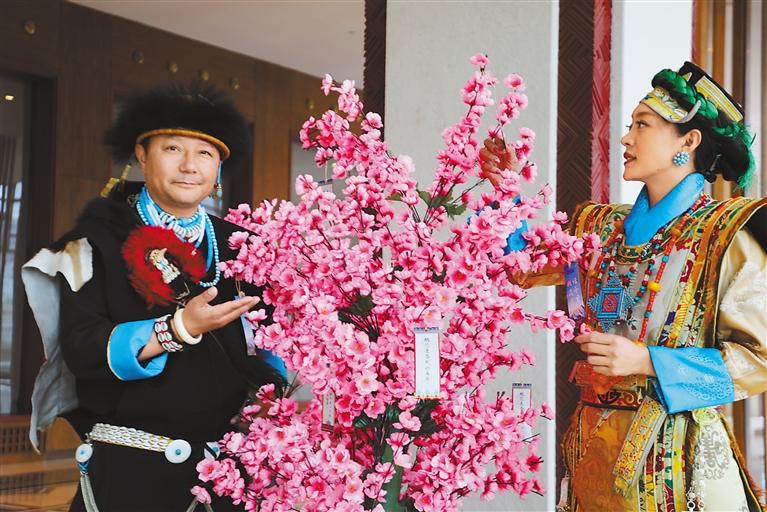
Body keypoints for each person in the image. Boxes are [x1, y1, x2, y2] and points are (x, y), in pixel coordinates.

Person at [481, 62, 766, 511]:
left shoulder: (725, 234)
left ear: (688, 142)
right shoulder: (599, 228)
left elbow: (758, 361)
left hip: (678, 461)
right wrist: (506, 193)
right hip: (593, 449)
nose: (626, 138)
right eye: (631, 124)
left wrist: (647, 361)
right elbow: (518, 269)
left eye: (643, 125)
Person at [22, 83, 286, 511]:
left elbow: (273, 341)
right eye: (172, 148)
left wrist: (271, 394)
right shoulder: (96, 241)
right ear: (142, 155)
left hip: (227, 474)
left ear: (219, 167)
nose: (189, 166)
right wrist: (177, 329)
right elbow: (82, 346)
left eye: (205, 153)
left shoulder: (243, 246)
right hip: (128, 473)